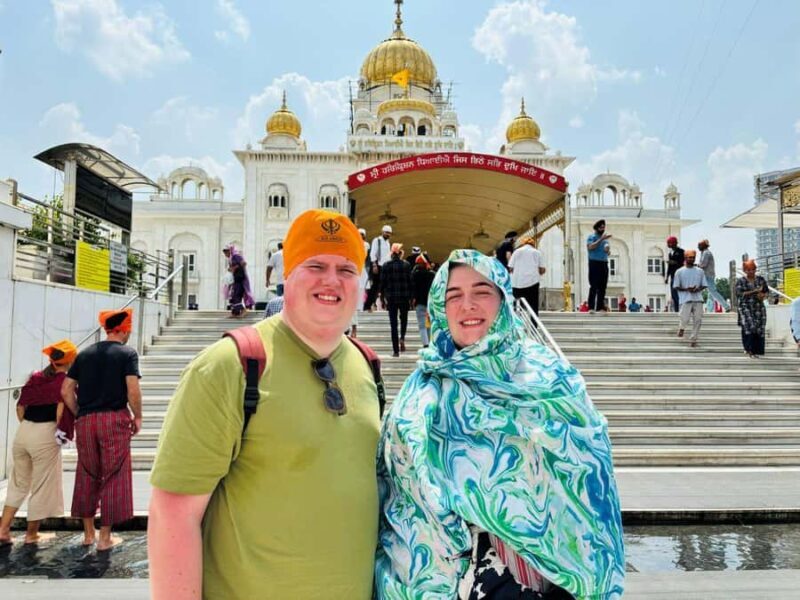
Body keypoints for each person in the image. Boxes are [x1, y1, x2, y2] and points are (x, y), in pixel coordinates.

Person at [148, 209, 381, 600]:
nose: (331, 280)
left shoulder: (366, 365)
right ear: (285, 275)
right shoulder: (228, 367)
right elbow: (173, 514)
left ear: (361, 283)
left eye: (346, 269)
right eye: (316, 265)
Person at [375, 249, 625, 599]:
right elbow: (397, 499)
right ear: (440, 309)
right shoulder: (420, 391)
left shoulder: (550, 379)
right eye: (454, 296)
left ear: (504, 301)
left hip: (543, 581)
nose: (468, 305)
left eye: (482, 292)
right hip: (442, 579)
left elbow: (589, 478)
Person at [62, 308, 142, 550]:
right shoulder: (127, 354)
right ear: (123, 329)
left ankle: (88, 535)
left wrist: (80, 413)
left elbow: (66, 390)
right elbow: (132, 389)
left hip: (86, 420)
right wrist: (137, 416)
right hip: (113, 419)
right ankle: (105, 538)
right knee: (114, 475)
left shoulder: (83, 354)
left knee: (87, 473)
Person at [0, 340, 77, 546]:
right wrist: (58, 431)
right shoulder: (65, 382)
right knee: (42, 485)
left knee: (18, 483)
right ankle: (31, 534)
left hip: (23, 431)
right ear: (70, 360)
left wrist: (28, 426)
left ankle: (3, 530)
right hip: (45, 433)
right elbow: (61, 411)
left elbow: (20, 408)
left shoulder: (35, 378)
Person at [381, 243, 413, 357]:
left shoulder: (386, 266)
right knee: (404, 320)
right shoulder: (407, 265)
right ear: (400, 253)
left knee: (393, 324)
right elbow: (410, 283)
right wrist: (411, 298)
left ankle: (395, 351)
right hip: (404, 298)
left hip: (391, 298)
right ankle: (402, 338)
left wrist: (382, 299)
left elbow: (382, 284)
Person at [673, 250, 707, 348]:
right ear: (685, 258)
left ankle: (693, 339)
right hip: (685, 299)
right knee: (684, 318)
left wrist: (697, 289)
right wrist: (687, 289)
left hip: (698, 299)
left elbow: (704, 285)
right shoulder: (679, 272)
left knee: (698, 320)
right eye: (689, 257)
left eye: (693, 257)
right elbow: (676, 286)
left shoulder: (700, 271)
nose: (691, 259)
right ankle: (682, 328)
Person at [736, 260, 768, 358]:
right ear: (745, 270)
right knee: (749, 326)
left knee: (759, 327)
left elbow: (766, 292)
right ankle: (749, 349)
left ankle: (755, 350)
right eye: (748, 270)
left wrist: (762, 295)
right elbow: (739, 294)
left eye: (753, 269)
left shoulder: (761, 280)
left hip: (758, 307)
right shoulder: (741, 281)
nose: (751, 271)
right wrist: (754, 291)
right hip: (745, 307)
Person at [508, 236, 546, 315]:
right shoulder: (537, 252)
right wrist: (540, 272)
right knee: (533, 305)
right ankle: (534, 324)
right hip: (532, 283)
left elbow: (510, 268)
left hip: (517, 283)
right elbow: (542, 269)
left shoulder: (516, 252)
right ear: (533, 244)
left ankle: (516, 323)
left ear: (523, 244)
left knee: (516, 305)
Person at [365, 225, 392, 311]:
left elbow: (388, 256)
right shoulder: (377, 240)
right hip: (378, 266)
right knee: (375, 287)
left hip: (386, 267)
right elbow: (373, 253)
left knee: (385, 287)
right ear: (382, 232)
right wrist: (374, 265)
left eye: (389, 233)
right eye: (386, 232)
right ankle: (368, 305)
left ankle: (385, 305)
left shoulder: (388, 243)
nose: (388, 234)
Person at [350, 228, 372, 339]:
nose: (361, 236)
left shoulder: (365, 245)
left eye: (362, 235)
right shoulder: (351, 243)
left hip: (360, 272)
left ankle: (354, 327)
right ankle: (353, 327)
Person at [223, 243, 254, 318]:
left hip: (240, 280)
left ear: (230, 251)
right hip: (235, 280)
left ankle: (243, 310)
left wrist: (235, 268)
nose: (225, 254)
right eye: (224, 252)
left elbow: (243, 263)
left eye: (226, 251)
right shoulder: (231, 258)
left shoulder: (236, 256)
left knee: (237, 295)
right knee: (233, 296)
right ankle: (235, 312)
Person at [697, 239, 729, 312]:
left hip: (708, 276)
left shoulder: (706, 253)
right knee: (710, 293)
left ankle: (726, 306)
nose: (698, 247)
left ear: (703, 246)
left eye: (699, 245)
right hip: (706, 275)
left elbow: (703, 264)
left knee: (712, 292)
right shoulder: (703, 253)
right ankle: (709, 309)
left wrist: (695, 265)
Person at [586, 219, 611, 313]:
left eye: (604, 227)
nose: (603, 229)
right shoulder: (592, 237)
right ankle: (591, 307)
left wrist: (607, 251)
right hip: (594, 263)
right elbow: (590, 247)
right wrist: (601, 239)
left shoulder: (605, 240)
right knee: (594, 285)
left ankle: (600, 307)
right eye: (601, 227)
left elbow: (607, 251)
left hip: (604, 263)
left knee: (602, 286)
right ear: (597, 228)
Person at [411, 254, 435, 348]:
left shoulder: (414, 275)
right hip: (430, 303)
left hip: (419, 303)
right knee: (429, 325)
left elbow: (412, 288)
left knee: (422, 325)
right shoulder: (432, 275)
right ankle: (430, 342)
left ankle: (425, 344)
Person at [664, 236, 685, 313]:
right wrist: (667, 277)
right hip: (673, 275)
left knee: (679, 292)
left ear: (673, 243)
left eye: (669, 243)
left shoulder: (681, 252)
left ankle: (681, 309)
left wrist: (675, 263)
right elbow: (669, 267)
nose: (668, 245)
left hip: (680, 275)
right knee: (673, 293)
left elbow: (683, 263)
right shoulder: (670, 253)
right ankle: (677, 310)